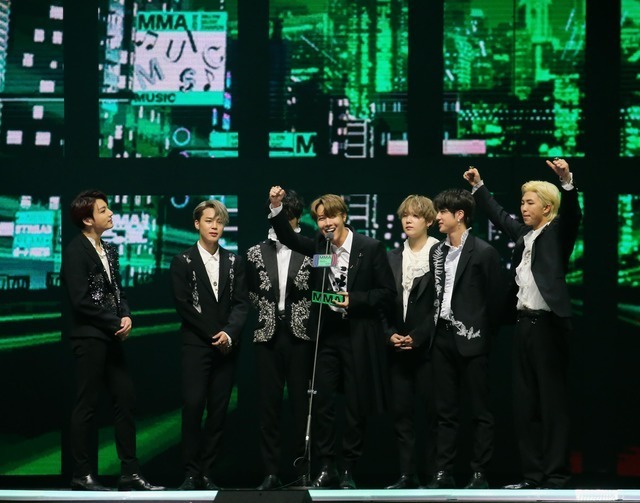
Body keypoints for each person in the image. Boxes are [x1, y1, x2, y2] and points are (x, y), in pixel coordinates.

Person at [463, 158, 581, 489]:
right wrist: (478, 187)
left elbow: (573, 215)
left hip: (549, 326)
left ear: (547, 207)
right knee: (524, 403)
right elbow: (500, 216)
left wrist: (567, 182)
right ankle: (532, 475)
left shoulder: (557, 233)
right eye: (522, 202)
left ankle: (555, 475)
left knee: (551, 403)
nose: (523, 208)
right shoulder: (525, 235)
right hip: (524, 325)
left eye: (529, 203)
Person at [268, 187, 396, 489]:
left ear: (344, 216)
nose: (326, 223)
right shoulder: (319, 247)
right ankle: (327, 467)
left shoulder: (370, 247)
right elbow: (288, 237)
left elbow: (387, 293)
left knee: (354, 405)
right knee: (322, 402)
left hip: (357, 335)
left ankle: (348, 468)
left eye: (331, 217)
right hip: (326, 336)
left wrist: (355, 300)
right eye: (320, 218)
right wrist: (276, 207)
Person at [61, 190, 164, 491]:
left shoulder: (109, 249)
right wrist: (114, 321)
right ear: (87, 219)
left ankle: (130, 472)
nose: (111, 213)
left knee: (126, 399)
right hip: (89, 336)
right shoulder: (75, 251)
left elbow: (118, 292)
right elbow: (80, 301)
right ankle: (82, 474)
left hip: (111, 337)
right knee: (87, 404)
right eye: (104, 209)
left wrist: (126, 315)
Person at [170, 199, 249, 490]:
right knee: (193, 407)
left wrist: (229, 334)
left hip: (227, 347)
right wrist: (215, 333)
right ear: (197, 224)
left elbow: (242, 304)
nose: (215, 226)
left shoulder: (234, 261)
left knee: (218, 410)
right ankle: (191, 472)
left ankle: (206, 471)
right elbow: (183, 305)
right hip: (196, 345)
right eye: (208, 220)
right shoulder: (182, 261)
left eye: (219, 221)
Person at [426, 189, 502, 490]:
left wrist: (481, 333)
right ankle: (443, 471)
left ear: (460, 215)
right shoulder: (437, 251)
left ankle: (480, 472)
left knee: (480, 410)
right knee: (444, 410)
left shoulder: (484, 252)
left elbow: (495, 301)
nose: (437, 217)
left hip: (473, 338)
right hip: (441, 338)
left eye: (442, 211)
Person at [245, 190, 314, 490]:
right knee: (268, 407)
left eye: (287, 217)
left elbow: (322, 287)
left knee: (302, 406)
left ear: (296, 218)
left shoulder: (312, 249)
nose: (281, 223)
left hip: (302, 336)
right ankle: (270, 471)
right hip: (267, 335)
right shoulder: (254, 253)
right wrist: (267, 313)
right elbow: (249, 293)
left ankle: (304, 470)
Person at [384, 195, 439, 489]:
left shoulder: (441, 254)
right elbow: (382, 302)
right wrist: (389, 333)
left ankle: (434, 474)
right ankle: (407, 474)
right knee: (401, 414)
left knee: (433, 413)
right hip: (397, 348)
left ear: (429, 221)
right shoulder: (392, 256)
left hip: (430, 348)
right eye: (405, 215)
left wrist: (418, 336)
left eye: (415, 215)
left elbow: (441, 304)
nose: (408, 220)